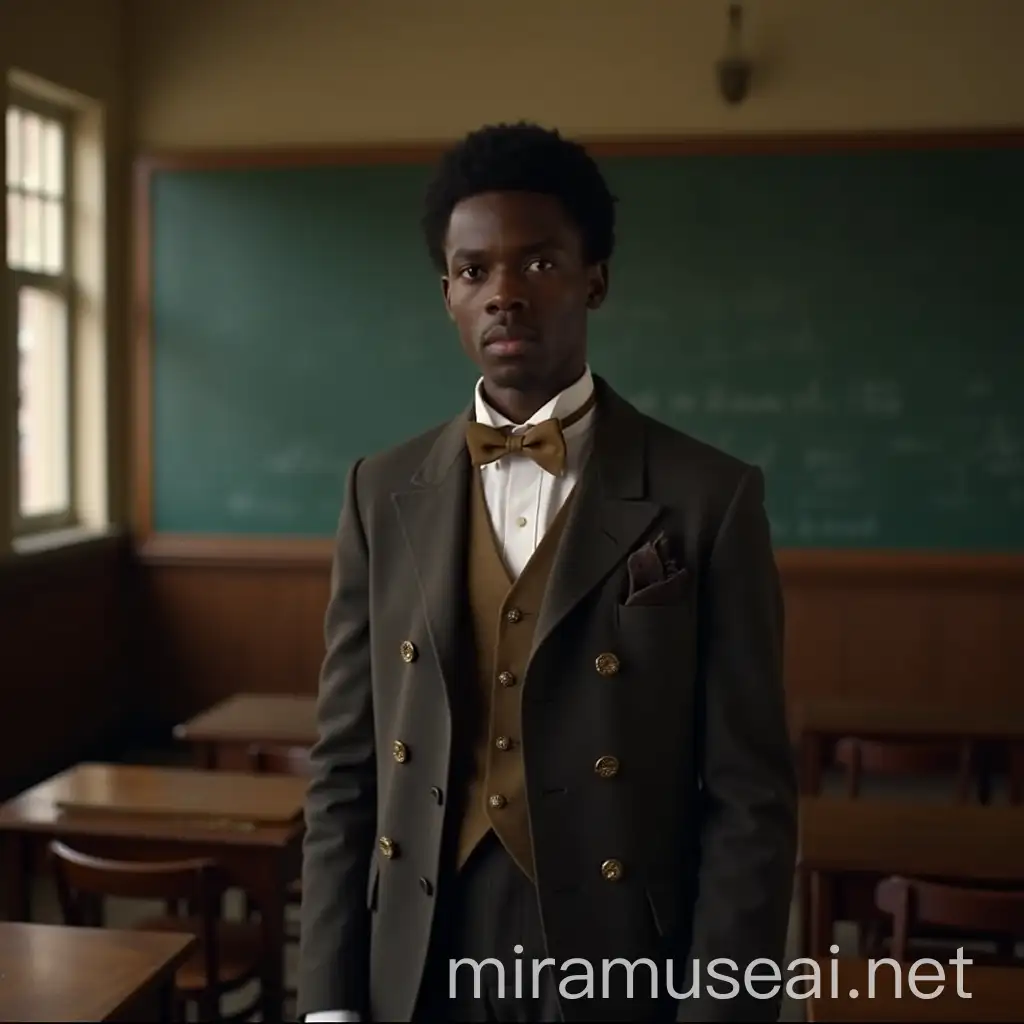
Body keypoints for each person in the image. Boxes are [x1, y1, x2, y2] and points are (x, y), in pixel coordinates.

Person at [299, 121, 797, 1023]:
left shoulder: (709, 497)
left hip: (619, 951)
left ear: (594, 279)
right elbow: (345, 768)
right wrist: (330, 1001)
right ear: (446, 294)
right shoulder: (380, 491)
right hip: (420, 942)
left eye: (536, 264)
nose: (502, 295)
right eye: (473, 271)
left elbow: (750, 799)